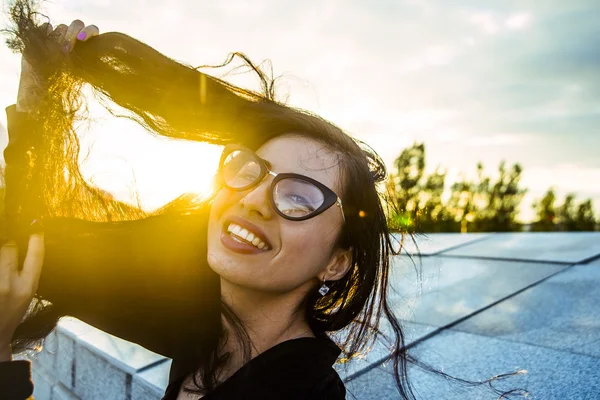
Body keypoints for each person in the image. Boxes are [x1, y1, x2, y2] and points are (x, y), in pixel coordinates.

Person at [0, 2, 525, 399]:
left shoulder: (297, 392)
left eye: (299, 196)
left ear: (338, 261)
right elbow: (31, 235)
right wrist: (39, 92)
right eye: (248, 171)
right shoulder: (210, 334)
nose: (252, 199)